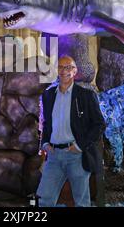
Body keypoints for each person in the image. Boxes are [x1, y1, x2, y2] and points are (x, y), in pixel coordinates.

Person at [37, 55, 106, 207]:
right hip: (54, 156)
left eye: (68, 67)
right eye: (61, 67)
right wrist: (45, 143)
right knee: (44, 200)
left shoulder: (86, 96)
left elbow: (99, 124)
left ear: (75, 71)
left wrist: (80, 146)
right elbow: (47, 123)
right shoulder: (48, 95)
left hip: (76, 156)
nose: (64, 71)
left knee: (81, 202)